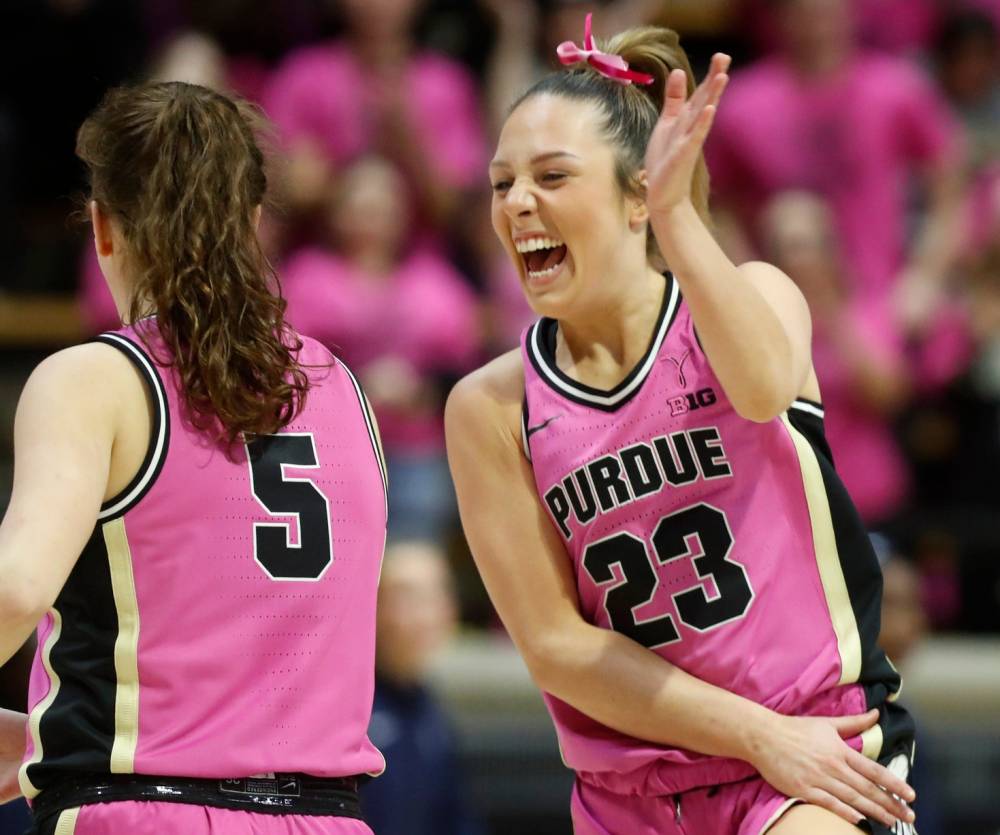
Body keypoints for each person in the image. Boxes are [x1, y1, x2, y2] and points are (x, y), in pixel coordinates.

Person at [445, 15, 918, 835]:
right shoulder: (488, 405)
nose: (519, 201)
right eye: (501, 183)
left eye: (553, 177)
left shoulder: (752, 295)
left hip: (818, 754)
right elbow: (557, 647)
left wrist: (679, 214)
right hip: (634, 796)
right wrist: (756, 735)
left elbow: (766, 388)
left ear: (636, 197)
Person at [0, 81, 387, 835]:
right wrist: (46, 732)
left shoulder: (95, 380)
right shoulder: (343, 386)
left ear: (104, 229)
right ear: (251, 222)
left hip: (145, 815)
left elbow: (14, 591)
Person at [361, 541, 484, 835]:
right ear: (373, 605)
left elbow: (455, 817)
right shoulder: (352, 711)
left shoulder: (432, 713)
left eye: (436, 595)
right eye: (408, 597)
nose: (426, 614)